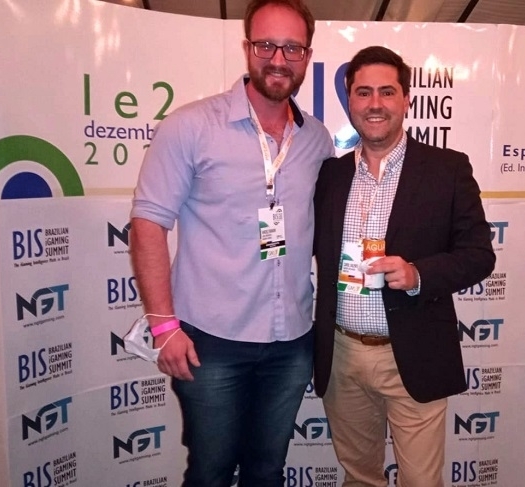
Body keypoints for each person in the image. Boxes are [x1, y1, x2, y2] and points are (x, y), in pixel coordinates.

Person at [129, 0, 333, 485]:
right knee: (211, 472)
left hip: (292, 342)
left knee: (267, 470)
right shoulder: (191, 126)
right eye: (266, 46)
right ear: (247, 48)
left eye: (292, 48)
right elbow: (148, 223)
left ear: (307, 56)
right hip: (210, 342)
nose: (278, 60)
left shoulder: (317, 140)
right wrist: (163, 326)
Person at [313, 46, 495, 487]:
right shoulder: (330, 175)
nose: (375, 103)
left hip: (413, 352)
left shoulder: (447, 169)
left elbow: (479, 255)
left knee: (421, 482)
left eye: (387, 92)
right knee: (360, 478)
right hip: (342, 355)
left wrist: (418, 275)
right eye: (363, 92)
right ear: (350, 100)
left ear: (406, 99)